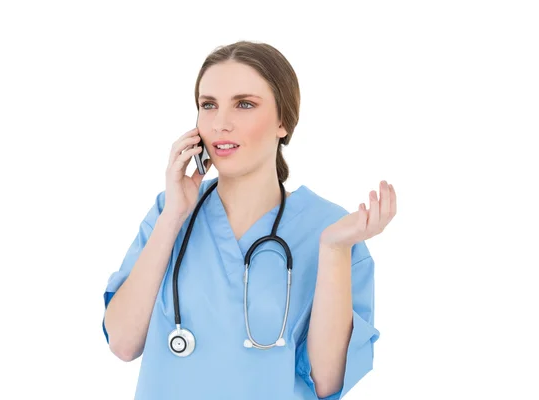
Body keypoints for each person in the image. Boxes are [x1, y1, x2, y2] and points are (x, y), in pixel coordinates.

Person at [102, 40, 397, 400]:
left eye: (244, 104)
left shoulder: (332, 230)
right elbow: (122, 342)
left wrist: (333, 250)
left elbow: (328, 381)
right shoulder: (171, 211)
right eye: (208, 105)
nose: (221, 123)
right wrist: (173, 217)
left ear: (283, 121)